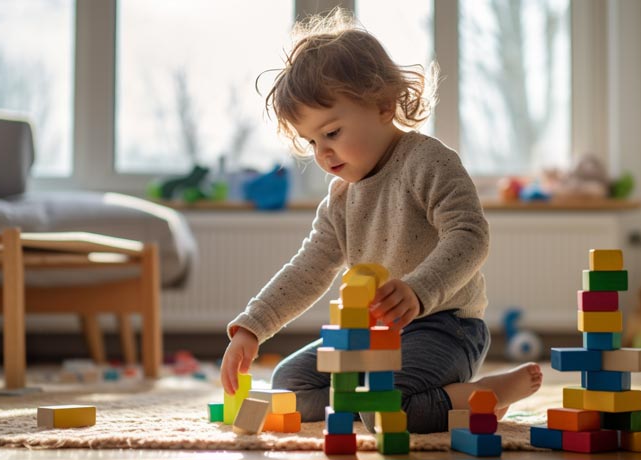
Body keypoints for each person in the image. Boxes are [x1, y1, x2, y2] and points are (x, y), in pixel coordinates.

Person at [220, 9, 542, 434]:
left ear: (383, 106)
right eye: (312, 141)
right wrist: (252, 327)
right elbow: (308, 269)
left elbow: (470, 236)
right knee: (289, 384)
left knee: (385, 412)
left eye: (332, 133)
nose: (322, 153)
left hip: (445, 326)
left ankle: (484, 394)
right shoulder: (340, 198)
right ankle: (391, 397)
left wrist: (419, 290)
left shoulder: (428, 161)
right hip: (372, 334)